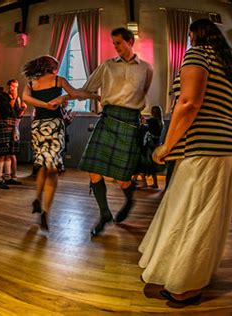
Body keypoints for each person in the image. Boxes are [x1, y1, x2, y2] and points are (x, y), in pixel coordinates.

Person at [138, 19, 232, 304]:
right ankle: (172, 269)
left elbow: (188, 103)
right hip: (226, 146)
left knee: (193, 214)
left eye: (189, 35)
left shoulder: (197, 54)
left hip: (203, 147)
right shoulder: (231, 71)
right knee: (201, 213)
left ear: (195, 35)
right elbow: (227, 112)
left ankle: (186, 283)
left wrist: (167, 145)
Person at [79, 27, 153, 236]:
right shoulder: (107, 66)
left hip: (130, 123)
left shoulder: (146, 68)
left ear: (130, 41)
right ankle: (104, 214)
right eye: (114, 44)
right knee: (93, 168)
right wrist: (68, 96)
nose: (116, 47)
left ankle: (130, 197)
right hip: (108, 118)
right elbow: (87, 89)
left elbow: (143, 93)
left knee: (122, 178)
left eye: (119, 42)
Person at [22, 55, 99, 231]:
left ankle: (38, 199)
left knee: (43, 165)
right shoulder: (58, 80)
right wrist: (97, 97)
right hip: (54, 126)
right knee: (53, 169)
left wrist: (43, 104)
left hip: (38, 127)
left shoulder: (32, 82)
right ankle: (45, 212)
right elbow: (77, 94)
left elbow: (25, 98)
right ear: (53, 67)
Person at [0, 79, 27, 189]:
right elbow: (6, 112)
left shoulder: (17, 99)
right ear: (8, 86)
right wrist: (13, 99)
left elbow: (17, 115)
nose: (13, 88)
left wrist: (22, 109)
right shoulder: (2, 97)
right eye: (12, 86)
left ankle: (8, 177)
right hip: (4, 125)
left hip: (12, 126)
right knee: (2, 154)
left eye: (16, 87)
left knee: (9, 152)